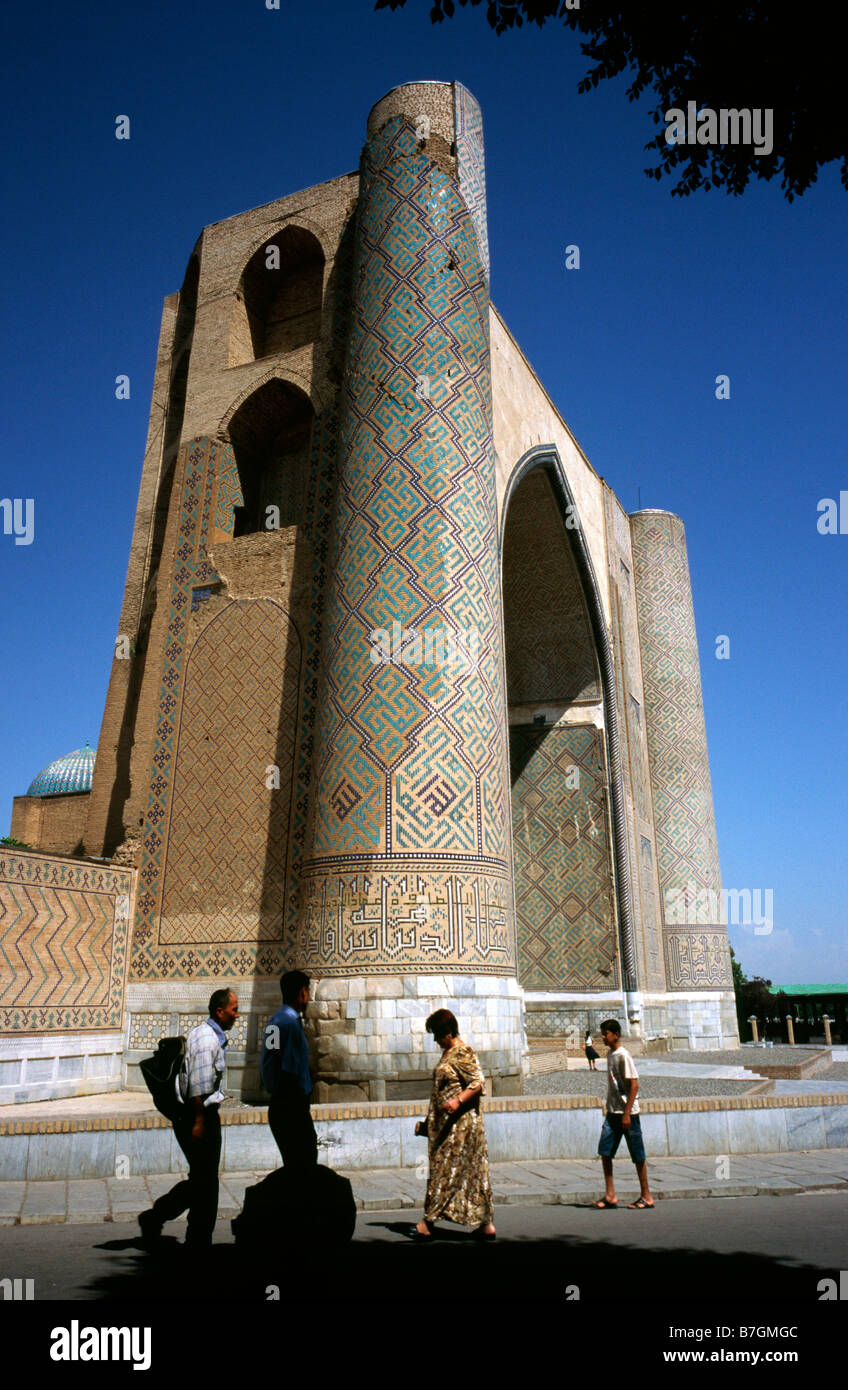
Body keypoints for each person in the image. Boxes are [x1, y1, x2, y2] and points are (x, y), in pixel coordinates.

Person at [138, 987, 239, 1248]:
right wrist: (198, 1124)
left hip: (197, 1117)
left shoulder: (206, 1034)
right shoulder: (206, 1040)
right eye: (234, 1010)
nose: (237, 1015)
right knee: (206, 1183)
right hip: (199, 1117)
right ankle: (196, 1240)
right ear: (220, 1011)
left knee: (201, 1180)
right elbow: (197, 1087)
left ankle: (161, 1218)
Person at [413, 1008, 496, 1241]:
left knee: (443, 1171)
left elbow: (478, 1083)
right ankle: (486, 1224)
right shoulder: (449, 1052)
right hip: (446, 1125)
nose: (435, 1040)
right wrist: (429, 1123)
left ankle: (427, 1222)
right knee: (471, 1173)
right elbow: (440, 1091)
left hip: (460, 1127)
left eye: (438, 1035)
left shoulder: (463, 1051)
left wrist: (458, 1101)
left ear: (448, 1032)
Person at [592, 1018, 654, 1210]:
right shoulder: (610, 1054)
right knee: (605, 1151)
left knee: (637, 1154)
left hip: (628, 1113)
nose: (603, 1037)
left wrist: (627, 1114)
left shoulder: (623, 1056)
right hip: (613, 1112)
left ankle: (647, 1196)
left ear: (615, 1035)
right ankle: (610, 1195)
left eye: (606, 1034)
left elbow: (634, 1085)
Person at [260, 968, 318, 1172]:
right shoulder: (290, 1025)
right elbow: (288, 1069)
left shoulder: (276, 1021)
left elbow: (271, 1059)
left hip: (279, 1103)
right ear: (302, 992)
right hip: (291, 1105)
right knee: (303, 1166)